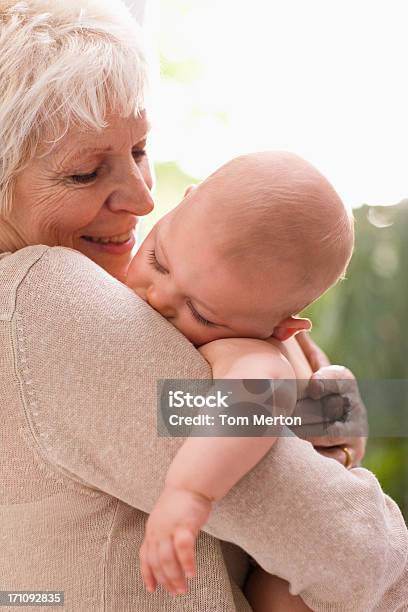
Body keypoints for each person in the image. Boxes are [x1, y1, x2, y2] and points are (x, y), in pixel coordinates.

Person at [0, 1, 406, 611]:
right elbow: (364, 552)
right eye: (85, 172)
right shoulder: (47, 297)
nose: (141, 199)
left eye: (139, 149)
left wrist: (326, 413)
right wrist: (331, 429)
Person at [131, 150, 353, 611]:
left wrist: (188, 492)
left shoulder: (253, 348)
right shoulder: (223, 300)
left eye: (199, 313)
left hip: (302, 556)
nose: (158, 297)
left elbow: (263, 388)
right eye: (158, 260)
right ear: (182, 203)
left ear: (279, 329)